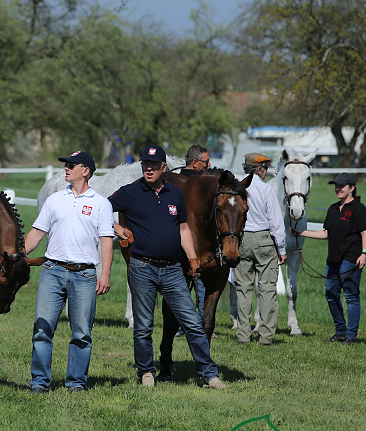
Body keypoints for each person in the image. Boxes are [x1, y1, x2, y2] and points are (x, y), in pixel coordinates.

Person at [108, 145, 227, 389]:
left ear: (164, 168)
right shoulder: (130, 192)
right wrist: (118, 229)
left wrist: (193, 258)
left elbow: (183, 228)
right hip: (142, 267)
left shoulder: (175, 194)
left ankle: (209, 374)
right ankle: (146, 372)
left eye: (153, 165)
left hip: (173, 269)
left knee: (192, 323)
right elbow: (100, 208)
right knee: (143, 327)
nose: (148, 169)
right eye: (145, 165)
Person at [24, 151, 113, 393]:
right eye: (66, 164)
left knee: (82, 333)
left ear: (86, 171)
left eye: (71, 165)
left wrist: (104, 274)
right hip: (52, 271)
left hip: (85, 275)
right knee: (42, 329)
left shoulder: (101, 204)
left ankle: (76, 384)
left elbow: (106, 241)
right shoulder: (55, 200)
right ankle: (39, 383)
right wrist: (16, 254)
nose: (66, 168)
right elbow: (36, 233)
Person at [293, 172, 366, 345]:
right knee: (331, 293)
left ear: (352, 188)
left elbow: (365, 232)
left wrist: (363, 253)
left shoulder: (358, 208)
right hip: (333, 259)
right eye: (336, 185)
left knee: (351, 296)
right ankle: (340, 331)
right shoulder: (333, 208)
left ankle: (351, 335)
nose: (338, 188)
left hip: (351, 258)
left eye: (342, 186)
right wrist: (301, 232)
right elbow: (326, 233)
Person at [234, 153, 287, 346]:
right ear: (259, 169)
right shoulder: (266, 189)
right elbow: (275, 222)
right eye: (264, 169)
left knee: (243, 289)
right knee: (266, 289)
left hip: (241, 239)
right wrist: (281, 248)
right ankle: (265, 337)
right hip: (264, 238)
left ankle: (242, 335)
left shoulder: (236, 189)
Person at [175, 144, 211, 334]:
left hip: (175, 244)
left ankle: (181, 324)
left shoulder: (172, 181)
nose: (209, 164)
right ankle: (197, 322)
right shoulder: (200, 185)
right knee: (200, 285)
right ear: (195, 163)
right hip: (194, 245)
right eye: (206, 161)